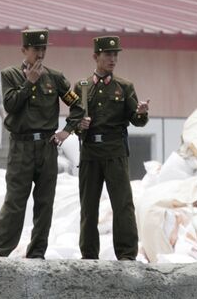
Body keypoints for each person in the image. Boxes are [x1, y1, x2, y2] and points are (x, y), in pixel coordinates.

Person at [0, 29, 84, 259]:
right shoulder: (10, 75)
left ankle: (37, 252)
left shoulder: (55, 77)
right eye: (35, 49)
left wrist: (67, 131)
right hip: (21, 147)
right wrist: (29, 84)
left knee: (45, 203)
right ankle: (0, 252)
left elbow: (78, 105)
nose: (40, 54)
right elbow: (11, 105)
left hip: (46, 146)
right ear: (24, 50)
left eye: (43, 49)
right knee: (15, 201)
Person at [70, 35, 149, 261]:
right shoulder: (83, 87)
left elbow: (136, 119)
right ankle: (89, 255)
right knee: (88, 206)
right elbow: (74, 119)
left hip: (115, 152)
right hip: (90, 153)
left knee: (122, 205)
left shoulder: (124, 87)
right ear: (96, 57)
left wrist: (142, 112)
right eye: (107, 54)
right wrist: (79, 125)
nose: (112, 59)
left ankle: (126, 254)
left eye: (115, 55)